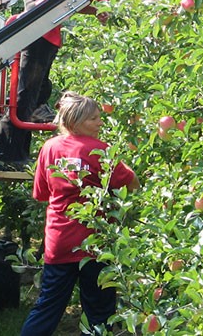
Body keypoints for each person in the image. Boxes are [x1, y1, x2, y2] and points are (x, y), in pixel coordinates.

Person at [0, 0, 130, 171]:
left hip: (46, 31)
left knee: (33, 94)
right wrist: (161, 2)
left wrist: (93, 11)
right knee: (25, 96)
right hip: (39, 32)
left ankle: (16, 154)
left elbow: (70, 3)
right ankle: (10, 155)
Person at [20, 91, 140, 336]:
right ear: (74, 121)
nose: (100, 123)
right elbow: (132, 183)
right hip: (95, 242)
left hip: (59, 241)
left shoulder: (49, 148)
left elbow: (42, 193)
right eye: (93, 119)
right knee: (100, 311)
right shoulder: (101, 150)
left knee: (48, 307)